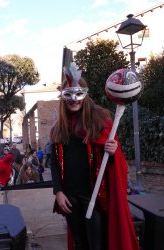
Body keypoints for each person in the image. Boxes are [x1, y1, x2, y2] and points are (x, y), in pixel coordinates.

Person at [49, 66, 139, 250]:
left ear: (85, 95)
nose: (74, 100)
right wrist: (58, 192)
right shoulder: (58, 128)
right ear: (63, 98)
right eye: (69, 95)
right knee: (79, 242)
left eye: (78, 94)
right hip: (69, 196)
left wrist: (113, 151)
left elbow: (114, 159)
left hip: (95, 195)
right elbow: (54, 163)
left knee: (97, 243)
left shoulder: (100, 120)